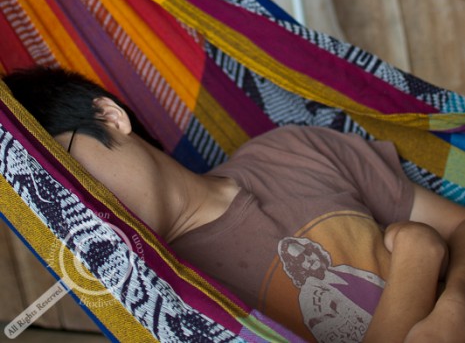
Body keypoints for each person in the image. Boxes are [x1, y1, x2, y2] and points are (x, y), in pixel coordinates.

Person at [3, 66, 465, 343]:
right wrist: (419, 256)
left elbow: (459, 225)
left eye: (68, 174)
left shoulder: (294, 150)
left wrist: (453, 310)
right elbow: (433, 238)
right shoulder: (166, 308)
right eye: (57, 204)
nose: (80, 207)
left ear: (108, 117)